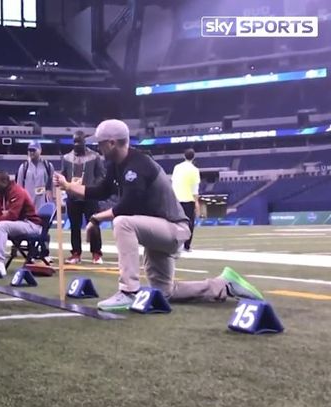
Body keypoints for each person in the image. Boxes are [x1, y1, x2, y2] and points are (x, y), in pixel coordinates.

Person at [53, 119, 264, 311]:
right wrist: (67, 186)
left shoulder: (138, 165)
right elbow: (99, 191)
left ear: (112, 143)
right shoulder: (116, 165)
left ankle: (128, 291)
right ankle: (223, 285)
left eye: (100, 143)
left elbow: (128, 205)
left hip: (174, 228)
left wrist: (95, 218)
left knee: (122, 222)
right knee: (164, 292)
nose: (96, 147)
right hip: (158, 229)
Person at [62, 131, 105, 264]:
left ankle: (96, 254)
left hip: (90, 196)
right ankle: (76, 254)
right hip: (73, 197)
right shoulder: (66, 158)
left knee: (93, 224)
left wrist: (91, 187)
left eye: (79, 142)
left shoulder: (94, 156)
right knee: (74, 226)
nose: (77, 144)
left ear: (84, 142)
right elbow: (63, 175)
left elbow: (101, 175)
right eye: (75, 142)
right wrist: (65, 185)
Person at [172, 148, 201, 252]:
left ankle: (175, 244)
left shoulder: (177, 168)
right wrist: (197, 203)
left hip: (177, 199)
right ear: (193, 157)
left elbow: (173, 183)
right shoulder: (195, 170)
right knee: (189, 223)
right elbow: (195, 188)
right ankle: (187, 246)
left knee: (176, 223)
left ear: (184, 156)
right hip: (189, 199)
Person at [16, 142, 54, 210]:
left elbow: (52, 184)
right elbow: (19, 188)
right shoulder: (24, 167)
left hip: (44, 204)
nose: (31, 152)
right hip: (28, 204)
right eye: (29, 150)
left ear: (40, 150)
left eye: (33, 150)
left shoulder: (48, 166)